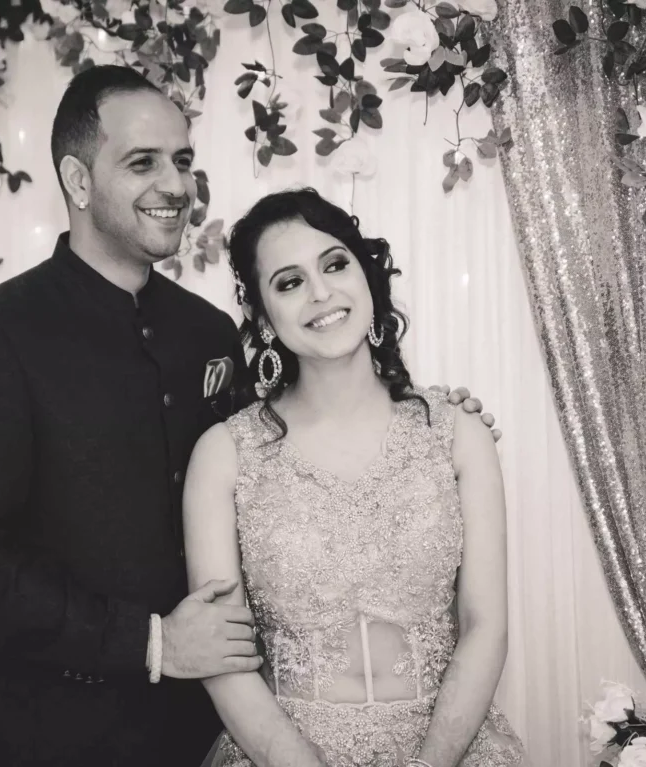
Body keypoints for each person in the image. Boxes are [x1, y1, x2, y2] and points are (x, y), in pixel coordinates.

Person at [0, 65, 497, 767]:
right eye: (142, 162)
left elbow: (286, 472)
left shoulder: (206, 331)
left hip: (193, 733)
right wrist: (150, 641)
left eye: (183, 161)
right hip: (47, 731)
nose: (175, 184)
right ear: (75, 181)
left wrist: (432, 421)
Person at [183, 189, 527, 767]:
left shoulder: (457, 434)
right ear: (262, 317)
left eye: (336, 265)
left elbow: (484, 625)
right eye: (289, 282)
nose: (321, 293)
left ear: (367, 277)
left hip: (449, 749)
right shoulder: (225, 455)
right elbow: (222, 652)